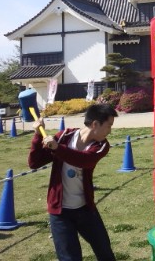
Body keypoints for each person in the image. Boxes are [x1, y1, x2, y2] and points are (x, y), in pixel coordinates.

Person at [28, 103, 118, 261]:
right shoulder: (65, 137)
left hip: (85, 209)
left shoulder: (101, 146)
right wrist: (37, 135)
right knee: (69, 258)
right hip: (60, 213)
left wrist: (57, 148)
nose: (110, 130)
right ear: (95, 124)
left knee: (104, 252)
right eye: (109, 125)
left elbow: (83, 160)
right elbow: (34, 162)